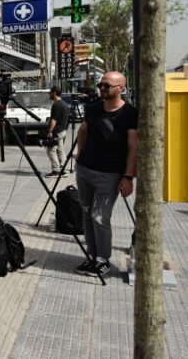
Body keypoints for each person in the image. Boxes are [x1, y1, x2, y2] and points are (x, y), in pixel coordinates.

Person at [74, 71, 137, 277]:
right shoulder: (93, 110)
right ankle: (91, 256)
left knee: (100, 217)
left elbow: (133, 146)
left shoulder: (130, 113)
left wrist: (127, 177)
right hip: (85, 171)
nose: (102, 88)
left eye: (107, 85)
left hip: (109, 175)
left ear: (121, 88)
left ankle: (103, 259)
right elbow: (82, 132)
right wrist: (79, 156)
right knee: (86, 213)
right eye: (101, 85)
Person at [45, 85, 70, 178]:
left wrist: (50, 131)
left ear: (54, 93)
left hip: (57, 131)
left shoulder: (56, 104)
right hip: (63, 131)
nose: (49, 95)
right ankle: (63, 170)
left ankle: (56, 170)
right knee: (60, 150)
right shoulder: (64, 103)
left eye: (50, 93)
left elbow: (54, 119)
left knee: (50, 150)